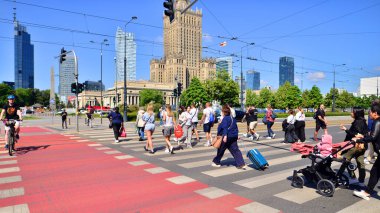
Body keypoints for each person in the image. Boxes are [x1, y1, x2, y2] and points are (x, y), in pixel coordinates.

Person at [352, 102, 380, 200]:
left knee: (375, 172)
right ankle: (367, 192)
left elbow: (372, 137)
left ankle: (367, 192)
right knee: (375, 172)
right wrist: (364, 136)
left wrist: (359, 140)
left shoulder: (377, 122)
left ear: (375, 113)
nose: (369, 114)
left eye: (370, 113)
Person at [212, 105, 246, 169]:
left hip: (227, 137)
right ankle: (241, 163)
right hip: (233, 137)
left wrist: (225, 136)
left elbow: (224, 128)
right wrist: (237, 135)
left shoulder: (225, 118)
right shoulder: (232, 118)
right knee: (235, 150)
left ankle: (216, 162)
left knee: (221, 150)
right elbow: (235, 127)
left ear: (223, 112)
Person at [340, 107, 367, 186]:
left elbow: (355, 135)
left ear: (356, 113)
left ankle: (351, 177)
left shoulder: (357, 122)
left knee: (345, 160)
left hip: (354, 146)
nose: (351, 113)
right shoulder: (363, 121)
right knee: (360, 162)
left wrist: (346, 129)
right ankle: (361, 181)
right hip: (362, 146)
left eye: (352, 112)